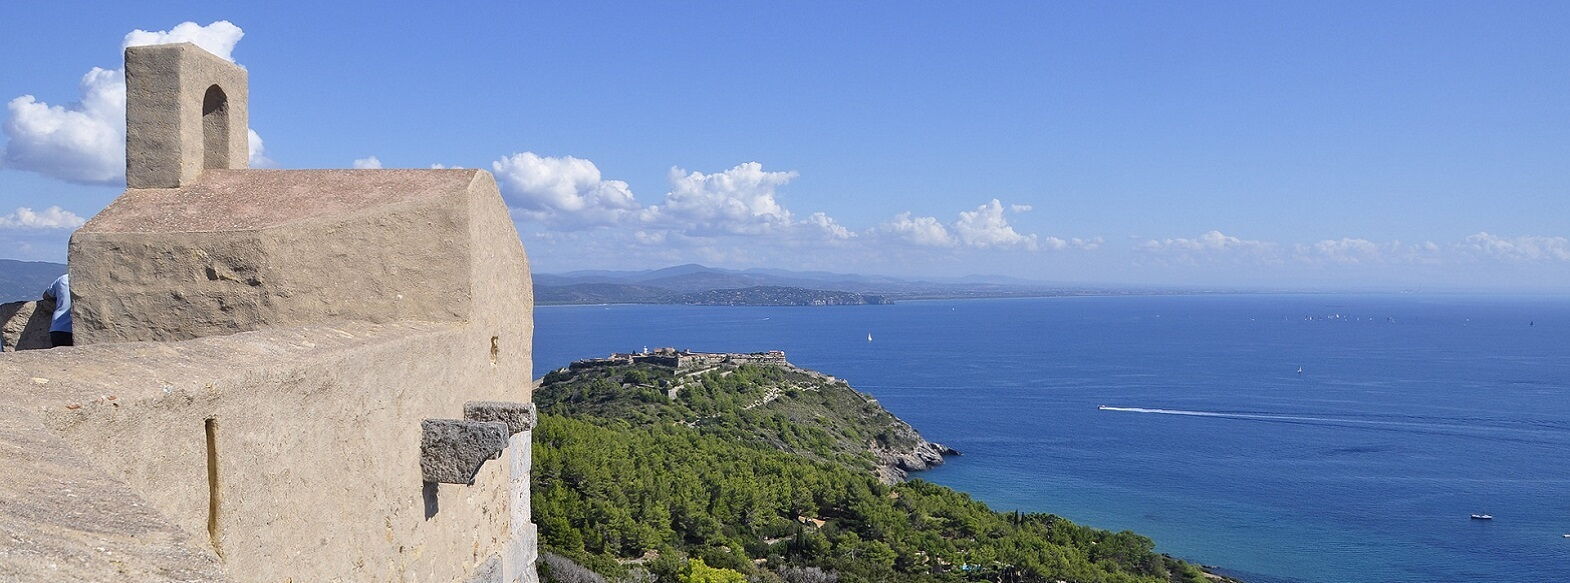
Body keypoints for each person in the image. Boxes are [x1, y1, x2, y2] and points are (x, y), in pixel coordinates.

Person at [40, 273, 72, 347]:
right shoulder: (89, 281)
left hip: (58, 326)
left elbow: (46, 295)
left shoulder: (63, 279)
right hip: (75, 329)